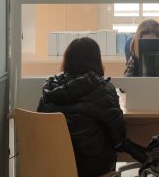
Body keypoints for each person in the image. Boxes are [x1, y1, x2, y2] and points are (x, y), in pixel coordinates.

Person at [37, 37, 146, 175]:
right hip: (90, 168)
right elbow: (119, 138)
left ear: (67, 60)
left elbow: (40, 129)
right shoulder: (102, 89)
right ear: (96, 61)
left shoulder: (50, 88)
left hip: (51, 165)